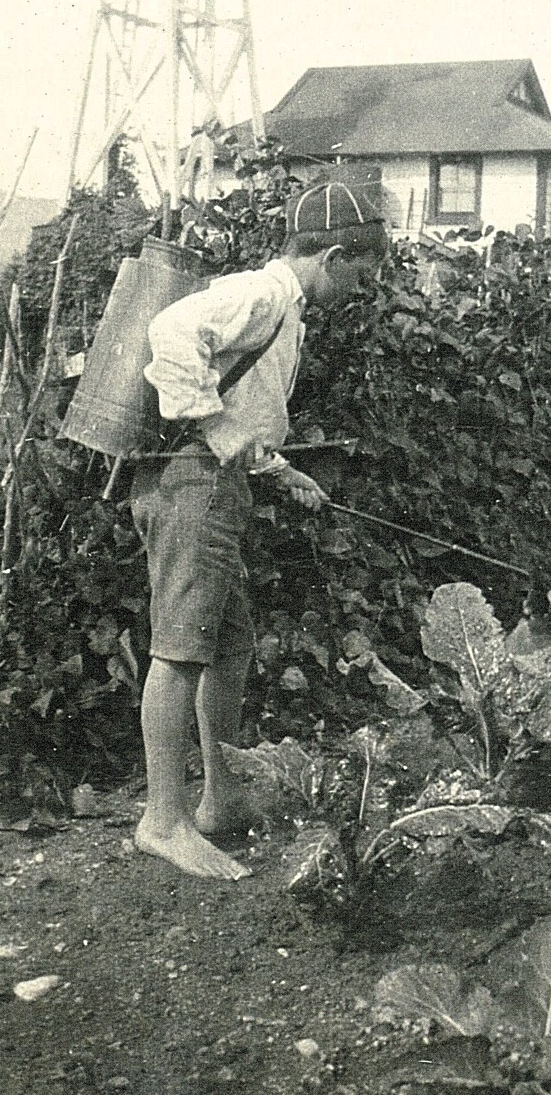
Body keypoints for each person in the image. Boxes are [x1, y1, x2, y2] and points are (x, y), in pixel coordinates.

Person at [130, 181, 389, 879]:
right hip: (191, 484)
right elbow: (170, 333)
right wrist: (216, 428)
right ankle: (162, 821)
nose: (358, 289)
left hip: (217, 484)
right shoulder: (264, 294)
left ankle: (220, 797)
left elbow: (242, 405)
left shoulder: (284, 307)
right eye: (358, 274)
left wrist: (281, 471)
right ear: (332, 257)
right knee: (181, 649)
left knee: (228, 643)